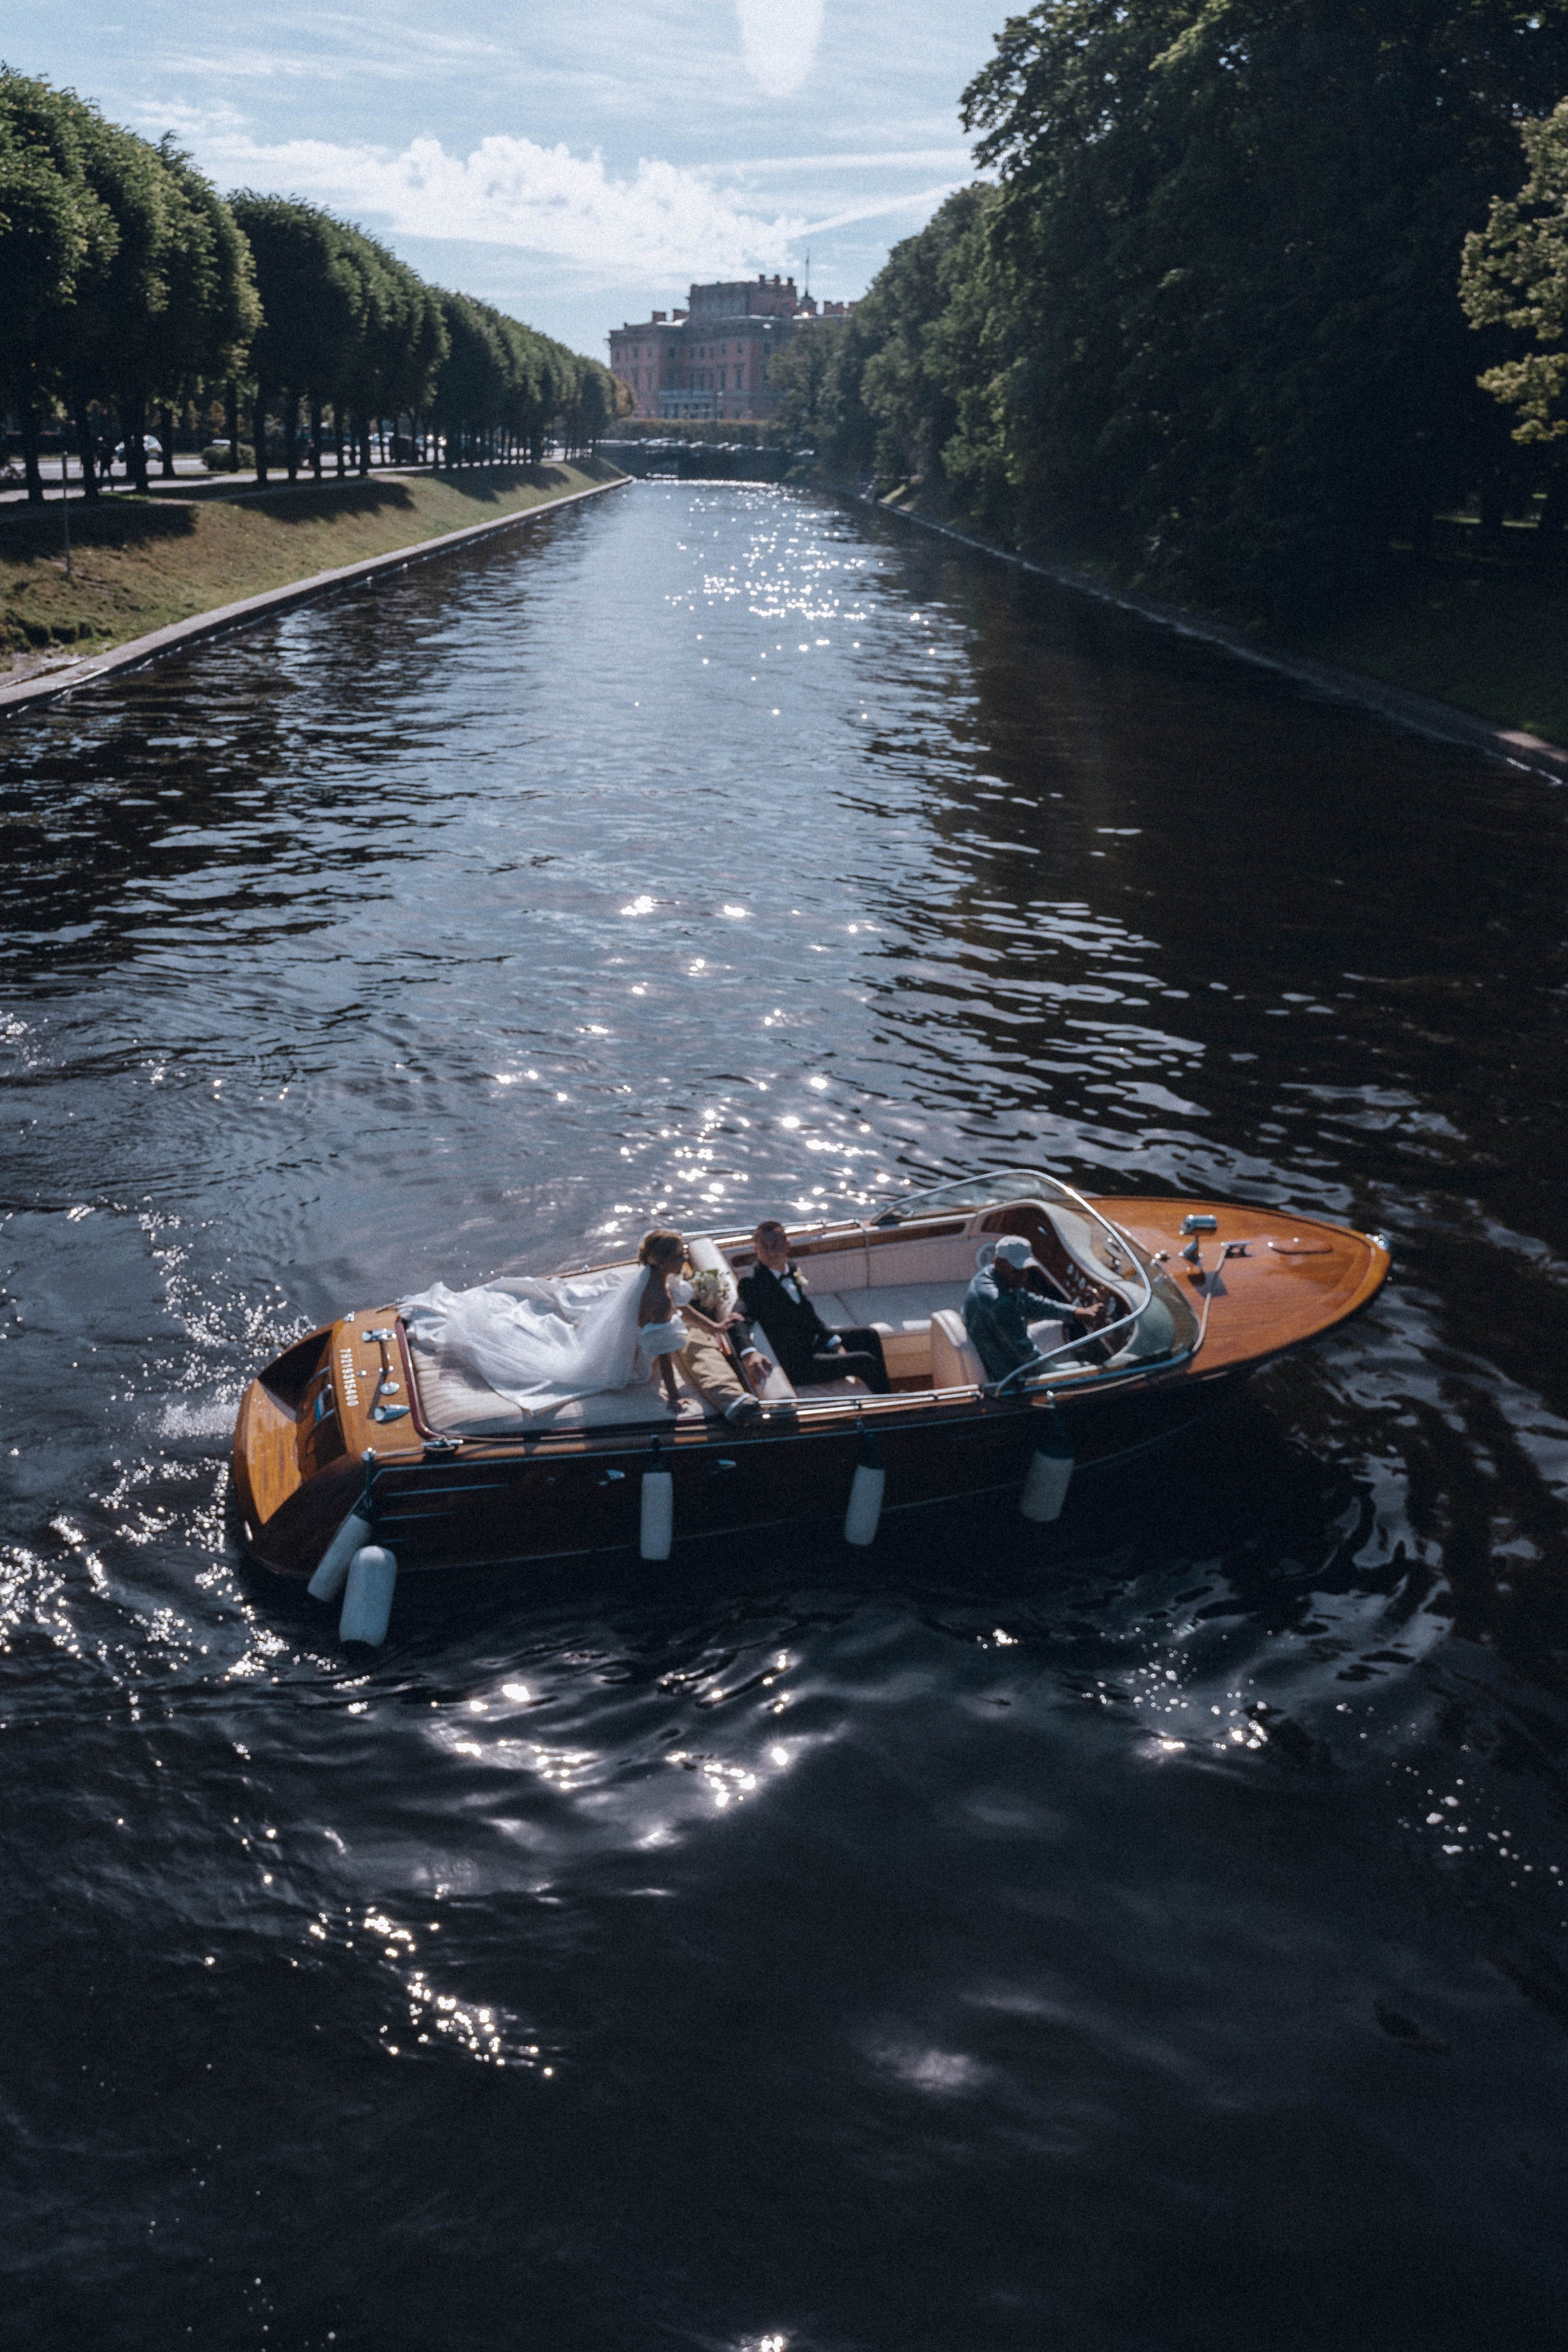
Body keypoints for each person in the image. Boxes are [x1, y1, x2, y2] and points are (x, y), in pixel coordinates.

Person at [737, 1219, 891, 1393]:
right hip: (797, 1364)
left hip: (812, 1343)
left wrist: (833, 1341)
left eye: (776, 1245)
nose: (771, 1251)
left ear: (788, 1246)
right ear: (756, 1251)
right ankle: (886, 1407)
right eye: (765, 1246)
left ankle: (887, 1396)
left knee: (869, 1335)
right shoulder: (752, 1282)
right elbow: (739, 1319)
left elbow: (807, 1312)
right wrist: (749, 1353)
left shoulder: (791, 1267)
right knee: (865, 1361)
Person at [638, 1229, 764, 1426]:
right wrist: (674, 1395)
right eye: (679, 1256)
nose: (685, 1259)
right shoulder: (659, 1299)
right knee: (687, 1338)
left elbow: (682, 1307)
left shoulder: (660, 1278)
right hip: (644, 1351)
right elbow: (663, 1352)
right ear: (662, 1262)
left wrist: (716, 1326)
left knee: (689, 1331)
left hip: (657, 1334)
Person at [962, 1237, 1105, 1382]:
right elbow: (1027, 1357)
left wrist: (1076, 1312)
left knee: (1062, 1328)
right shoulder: (998, 1302)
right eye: (1018, 1270)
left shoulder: (991, 1276)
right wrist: (1063, 1374)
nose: (1024, 1277)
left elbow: (1031, 1303)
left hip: (1000, 1343)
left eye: (1026, 1270)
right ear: (999, 1263)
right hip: (1006, 1373)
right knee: (1087, 1372)